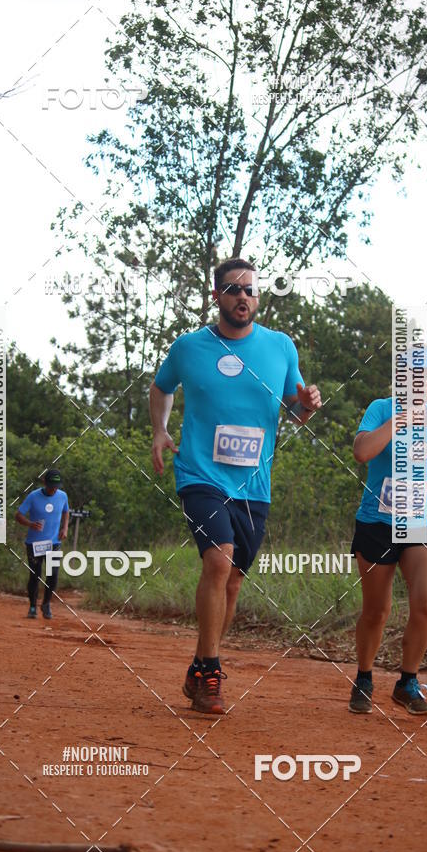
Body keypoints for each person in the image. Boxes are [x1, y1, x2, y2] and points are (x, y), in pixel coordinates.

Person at [150, 257, 321, 714]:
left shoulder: (281, 347)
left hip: (254, 485)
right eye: (233, 289)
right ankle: (210, 673)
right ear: (216, 297)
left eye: (250, 289)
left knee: (233, 583)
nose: (242, 296)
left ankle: (198, 665)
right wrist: (159, 430)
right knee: (219, 559)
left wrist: (307, 405)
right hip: (200, 474)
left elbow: (296, 412)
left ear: (257, 296)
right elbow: (161, 387)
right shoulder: (189, 347)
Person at [348, 347, 427, 715]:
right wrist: (397, 421)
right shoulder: (381, 408)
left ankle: (407, 681)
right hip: (377, 523)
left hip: (420, 521)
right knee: (376, 611)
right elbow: (361, 453)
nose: (422, 383)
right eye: (415, 375)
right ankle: (364, 677)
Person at [15, 468, 69, 620]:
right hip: (35, 544)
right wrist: (30, 524)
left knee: (53, 575)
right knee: (35, 575)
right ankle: (32, 606)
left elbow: (66, 512)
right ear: (44, 482)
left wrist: (64, 528)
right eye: (51, 485)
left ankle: (46, 604)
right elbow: (18, 515)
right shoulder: (33, 496)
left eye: (56, 486)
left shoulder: (62, 496)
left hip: (54, 543)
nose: (54, 489)